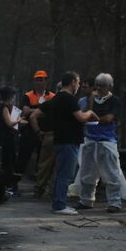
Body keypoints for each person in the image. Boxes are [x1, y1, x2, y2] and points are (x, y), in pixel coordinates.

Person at [39, 72, 98, 214]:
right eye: (78, 82)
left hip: (60, 139)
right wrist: (90, 113)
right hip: (68, 140)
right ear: (72, 82)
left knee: (61, 173)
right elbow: (80, 117)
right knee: (66, 174)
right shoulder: (68, 99)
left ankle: (59, 202)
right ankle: (60, 205)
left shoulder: (57, 97)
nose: (78, 86)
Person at [75, 74, 126, 213]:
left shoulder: (114, 101)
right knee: (87, 172)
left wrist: (94, 118)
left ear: (109, 87)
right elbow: (86, 113)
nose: (99, 88)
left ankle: (115, 202)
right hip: (90, 139)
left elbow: (109, 118)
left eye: (102, 86)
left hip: (106, 140)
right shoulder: (89, 99)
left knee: (111, 173)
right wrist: (92, 103)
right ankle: (86, 200)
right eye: (97, 85)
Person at [19, 70, 56, 197]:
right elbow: (25, 111)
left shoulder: (52, 96)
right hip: (29, 131)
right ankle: (14, 183)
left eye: (42, 79)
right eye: (37, 79)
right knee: (23, 156)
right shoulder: (28, 96)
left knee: (43, 160)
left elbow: (31, 111)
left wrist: (33, 110)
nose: (39, 82)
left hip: (46, 132)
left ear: (46, 81)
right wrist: (42, 110)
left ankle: (40, 186)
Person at [0, 86, 21, 191]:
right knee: (8, 161)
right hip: (7, 138)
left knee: (7, 161)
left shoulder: (3, 106)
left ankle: (5, 183)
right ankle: (6, 183)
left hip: (5, 137)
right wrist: (18, 120)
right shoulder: (4, 107)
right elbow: (9, 123)